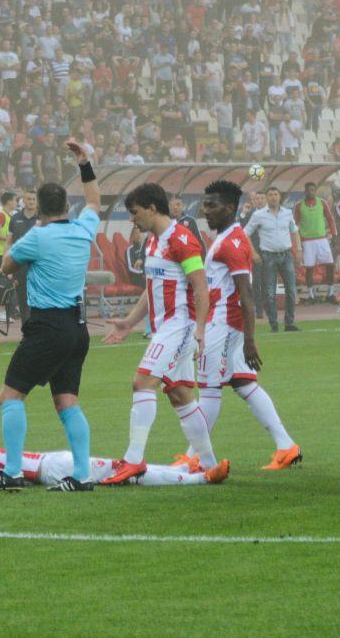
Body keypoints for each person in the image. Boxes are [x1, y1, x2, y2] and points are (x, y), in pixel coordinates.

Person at [0, 142, 100, 493]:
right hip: (78, 327)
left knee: (10, 396)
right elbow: (94, 201)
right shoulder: (83, 229)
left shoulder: (37, 236)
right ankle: (82, 475)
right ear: (66, 206)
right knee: (67, 401)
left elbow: (7, 264)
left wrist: (16, 262)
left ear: (39, 209)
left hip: (48, 327)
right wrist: (84, 162)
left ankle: (11, 473)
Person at [99, 182, 225, 485]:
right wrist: (129, 322)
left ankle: (132, 460)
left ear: (152, 208)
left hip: (179, 327)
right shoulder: (154, 241)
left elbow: (200, 286)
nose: (132, 218)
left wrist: (199, 329)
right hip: (164, 329)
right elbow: (152, 287)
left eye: (135, 212)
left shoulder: (182, 240)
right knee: (181, 396)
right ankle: (208, 464)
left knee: (142, 382)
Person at [190, 180, 302, 469]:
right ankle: (286, 445)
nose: (206, 211)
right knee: (243, 383)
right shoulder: (230, 236)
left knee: (210, 388)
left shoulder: (231, 243)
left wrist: (250, 339)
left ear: (229, 208)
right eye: (205, 205)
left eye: (211, 205)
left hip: (223, 325)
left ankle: (195, 457)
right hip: (227, 324)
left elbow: (247, 294)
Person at [0, 441, 229, 490]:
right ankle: (200, 479)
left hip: (51, 463)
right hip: (51, 470)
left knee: (117, 466)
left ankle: (186, 469)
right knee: (123, 472)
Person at [243, 186, 302, 333]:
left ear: (280, 197)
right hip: (268, 256)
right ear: (267, 198)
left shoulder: (288, 213)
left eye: (276, 194)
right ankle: (274, 324)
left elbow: (295, 232)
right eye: (270, 195)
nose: (273, 197)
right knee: (269, 292)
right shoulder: (258, 215)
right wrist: (253, 253)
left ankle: (289, 323)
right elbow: (245, 234)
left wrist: (299, 250)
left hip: (286, 254)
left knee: (291, 290)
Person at [292, 181, 336, 302]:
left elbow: (330, 218)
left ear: (315, 191)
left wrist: (333, 233)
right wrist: (297, 241)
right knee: (309, 268)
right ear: (305, 191)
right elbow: (294, 224)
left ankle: (331, 293)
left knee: (330, 264)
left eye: (312, 190)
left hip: (322, 239)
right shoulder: (299, 205)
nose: (310, 192)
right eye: (308, 190)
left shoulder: (322, 203)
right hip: (307, 241)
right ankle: (311, 295)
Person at [8, 190, 39, 324]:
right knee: (22, 298)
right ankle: (27, 329)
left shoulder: (43, 219)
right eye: (29, 199)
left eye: (33, 199)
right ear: (23, 201)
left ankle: (39, 328)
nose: (31, 201)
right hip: (20, 265)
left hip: (38, 265)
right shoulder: (15, 219)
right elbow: (9, 243)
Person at [0, 190, 20, 322]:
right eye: (15, 200)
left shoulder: (10, 216)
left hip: (8, 254)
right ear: (8, 201)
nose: (16, 202)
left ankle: (8, 310)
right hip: (0, 255)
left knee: (10, 283)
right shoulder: (1, 215)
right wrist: (9, 239)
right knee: (3, 282)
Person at [239, 190, 267, 317]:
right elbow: (241, 228)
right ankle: (259, 310)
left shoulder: (270, 213)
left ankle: (269, 307)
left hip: (269, 251)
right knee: (256, 281)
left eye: (261, 198)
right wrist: (243, 212)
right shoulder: (250, 215)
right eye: (256, 199)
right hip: (256, 251)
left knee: (267, 280)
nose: (258, 201)